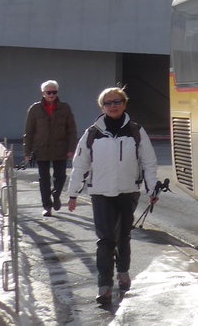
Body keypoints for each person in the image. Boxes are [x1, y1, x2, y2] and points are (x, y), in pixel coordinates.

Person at [66, 87, 158, 305]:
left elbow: (148, 162)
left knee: (123, 236)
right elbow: (80, 165)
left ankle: (123, 270)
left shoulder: (136, 131)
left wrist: (152, 189)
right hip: (101, 193)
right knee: (105, 239)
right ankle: (104, 285)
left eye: (117, 101)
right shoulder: (92, 133)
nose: (113, 106)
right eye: (108, 103)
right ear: (102, 107)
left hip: (128, 191)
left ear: (124, 104)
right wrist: (73, 193)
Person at [23, 79, 78, 217]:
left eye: (54, 92)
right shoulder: (35, 109)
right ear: (43, 93)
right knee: (44, 180)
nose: (52, 95)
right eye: (49, 92)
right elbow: (29, 132)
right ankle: (47, 206)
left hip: (60, 148)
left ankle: (56, 194)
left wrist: (71, 148)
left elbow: (71, 130)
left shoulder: (65, 108)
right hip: (41, 149)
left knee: (61, 176)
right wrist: (27, 151)